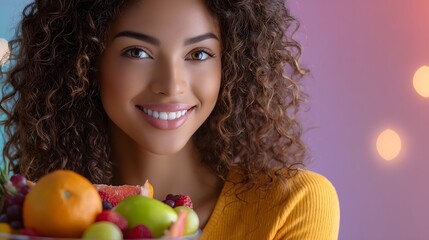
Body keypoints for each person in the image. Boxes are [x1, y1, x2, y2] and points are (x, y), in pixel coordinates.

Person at [0, 0, 340, 239]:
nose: (171, 85)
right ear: (85, 60)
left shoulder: (292, 205)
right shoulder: (39, 217)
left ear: (232, 64)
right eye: (137, 52)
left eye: (199, 54)